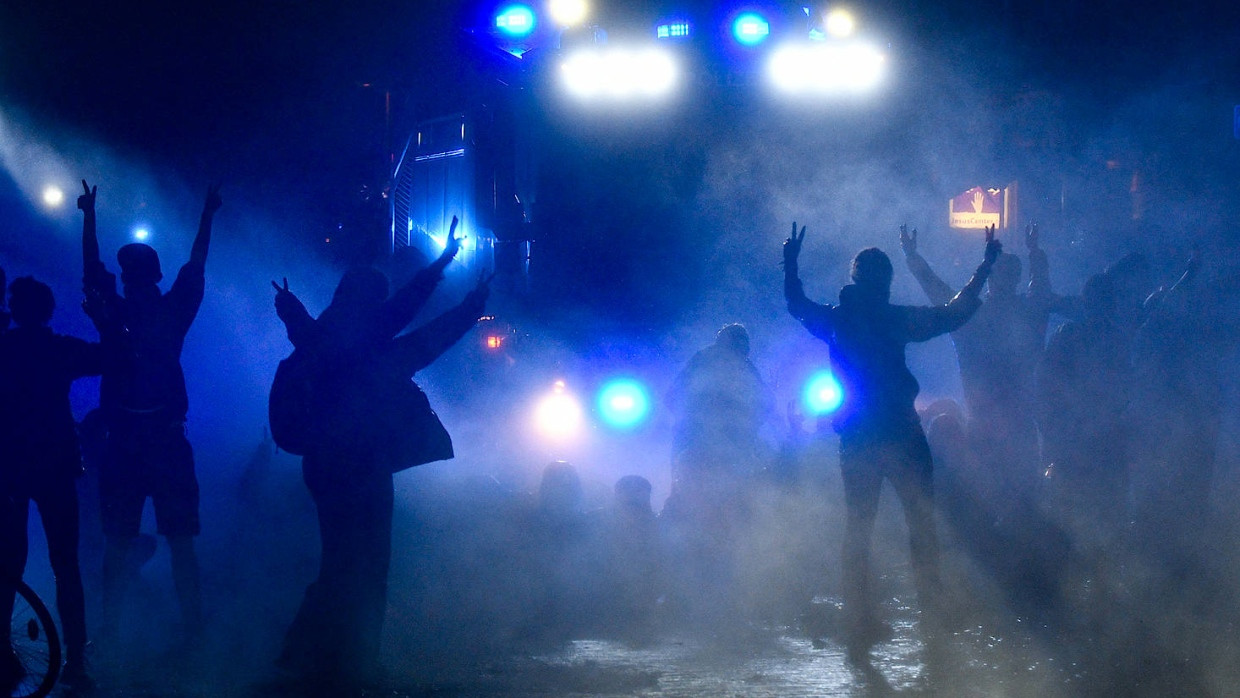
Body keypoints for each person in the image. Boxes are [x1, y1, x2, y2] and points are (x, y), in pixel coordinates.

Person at [273, 218, 488, 685]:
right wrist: (461, 293)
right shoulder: (374, 349)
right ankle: (355, 659)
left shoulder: (317, 343)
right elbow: (417, 324)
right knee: (370, 567)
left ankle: (306, 655)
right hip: (365, 466)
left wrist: (290, 311)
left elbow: (398, 313)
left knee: (339, 562)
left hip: (324, 466)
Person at [783, 221, 999, 658]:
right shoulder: (892, 317)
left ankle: (859, 619)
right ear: (884, 281)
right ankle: (931, 616)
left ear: (854, 278)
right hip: (900, 432)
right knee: (919, 525)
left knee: (859, 528)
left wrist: (789, 262)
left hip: (860, 435)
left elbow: (797, 303)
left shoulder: (839, 319)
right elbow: (951, 314)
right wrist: (984, 267)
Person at [79, 179, 222, 646]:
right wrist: (207, 215)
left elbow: (91, 273)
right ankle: (189, 629)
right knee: (175, 544)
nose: (129, 283)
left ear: (131, 279)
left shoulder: (121, 314)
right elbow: (196, 266)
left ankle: (112, 630)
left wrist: (89, 218)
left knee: (126, 544)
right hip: (157, 441)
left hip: (133, 443)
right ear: (153, 277)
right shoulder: (169, 312)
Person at [0, 276, 113, 691]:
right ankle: (77, 660)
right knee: (66, 565)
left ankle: (2, 652)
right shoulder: (57, 348)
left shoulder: (6, 348)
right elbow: (110, 357)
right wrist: (104, 319)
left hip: (11, 468)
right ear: (47, 311)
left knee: (8, 564)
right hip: (55, 467)